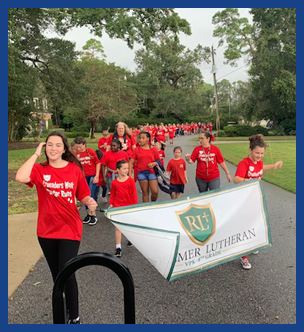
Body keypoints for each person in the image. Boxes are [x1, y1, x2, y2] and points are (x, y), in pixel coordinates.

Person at [15, 131, 97, 324]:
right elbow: (20, 177)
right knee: (57, 276)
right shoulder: (39, 170)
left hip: (70, 228)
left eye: (58, 145)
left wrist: (90, 202)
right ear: (45, 148)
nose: (53, 148)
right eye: (49, 145)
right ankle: (61, 315)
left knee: (67, 272)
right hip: (46, 231)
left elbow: (82, 194)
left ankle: (74, 317)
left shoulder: (74, 169)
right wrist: (35, 154)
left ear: (64, 148)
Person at [234, 134, 283, 270]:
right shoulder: (244, 163)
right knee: (245, 227)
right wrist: (248, 181)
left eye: (262, 153)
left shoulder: (259, 162)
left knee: (254, 225)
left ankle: (252, 246)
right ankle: (243, 256)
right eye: (257, 153)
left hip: (255, 199)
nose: (259, 156)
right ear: (250, 150)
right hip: (244, 201)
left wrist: (274, 165)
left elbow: (261, 167)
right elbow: (236, 178)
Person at [109, 160, 138, 257]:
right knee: (118, 227)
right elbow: (112, 194)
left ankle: (130, 238)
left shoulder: (130, 180)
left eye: (127, 168)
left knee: (128, 225)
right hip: (118, 207)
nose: (126, 170)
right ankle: (118, 247)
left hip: (128, 206)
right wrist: (111, 204)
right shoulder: (114, 182)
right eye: (124, 168)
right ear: (118, 170)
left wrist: (134, 207)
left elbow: (134, 195)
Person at [73, 137, 100, 225]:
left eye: (80, 147)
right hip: (82, 178)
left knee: (90, 195)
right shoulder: (76, 154)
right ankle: (89, 214)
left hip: (92, 176)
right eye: (77, 147)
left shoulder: (90, 152)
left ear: (84, 145)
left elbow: (97, 163)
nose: (79, 149)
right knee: (84, 196)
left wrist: (96, 175)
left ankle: (93, 215)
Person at [129, 131, 159, 203]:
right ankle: (147, 209)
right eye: (140, 138)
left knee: (155, 191)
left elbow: (158, 161)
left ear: (148, 139)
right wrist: (130, 175)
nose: (141, 140)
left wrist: (153, 163)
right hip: (141, 173)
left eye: (143, 138)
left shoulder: (153, 149)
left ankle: (153, 204)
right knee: (145, 193)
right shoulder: (136, 150)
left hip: (151, 172)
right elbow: (130, 163)